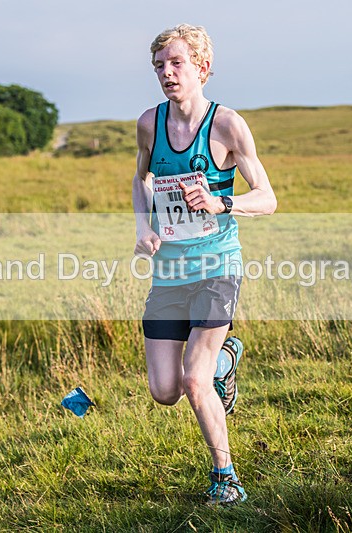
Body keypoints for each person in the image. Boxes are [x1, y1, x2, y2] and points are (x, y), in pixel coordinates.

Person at [132, 23, 277, 506]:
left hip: (218, 266)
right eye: (159, 66)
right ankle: (225, 360)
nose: (167, 74)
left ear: (203, 68)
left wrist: (222, 203)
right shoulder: (149, 123)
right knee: (165, 389)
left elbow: (268, 198)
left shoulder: (227, 126)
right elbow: (141, 178)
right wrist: (143, 228)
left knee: (195, 379)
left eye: (176, 64)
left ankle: (226, 477)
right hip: (169, 271)